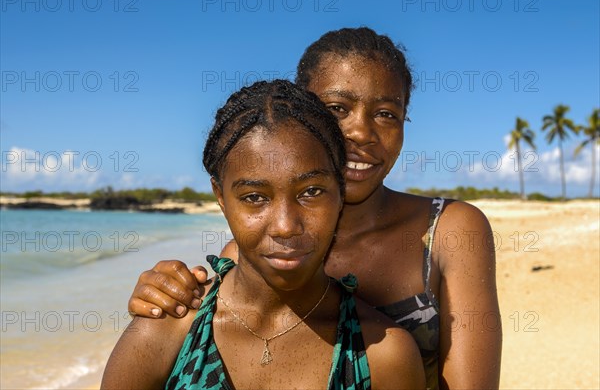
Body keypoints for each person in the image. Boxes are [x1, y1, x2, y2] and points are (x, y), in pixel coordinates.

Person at [127, 28, 502, 390]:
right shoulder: (264, 249)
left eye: (386, 113)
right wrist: (161, 298)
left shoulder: (451, 231)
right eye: (338, 108)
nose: (362, 132)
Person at [101, 80, 425, 390]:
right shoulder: (167, 330)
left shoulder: (382, 354)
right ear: (220, 196)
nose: (285, 226)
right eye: (255, 197)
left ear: (340, 190)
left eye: (311, 191)